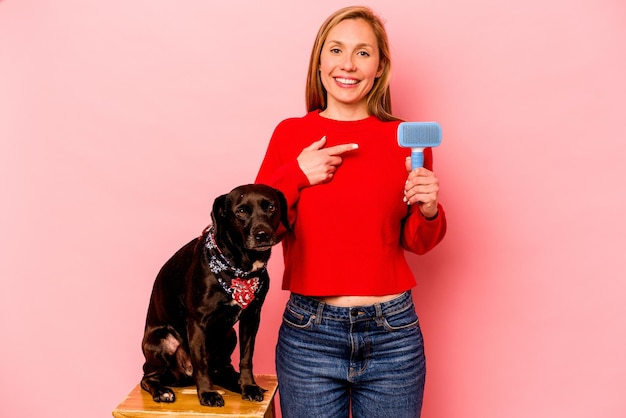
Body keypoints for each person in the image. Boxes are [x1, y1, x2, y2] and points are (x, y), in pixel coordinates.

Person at [255, 6, 446, 418]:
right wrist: (297, 174)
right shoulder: (290, 135)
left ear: (379, 67)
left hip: (393, 334)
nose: (347, 64)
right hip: (310, 335)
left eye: (363, 53)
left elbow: (417, 243)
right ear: (319, 61)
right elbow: (261, 233)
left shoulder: (404, 140)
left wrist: (429, 209)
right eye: (336, 49)